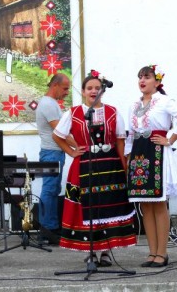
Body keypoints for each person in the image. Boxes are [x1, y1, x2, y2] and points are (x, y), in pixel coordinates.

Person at [53, 70, 136, 266]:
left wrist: (125, 168)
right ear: (82, 91)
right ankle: (90, 251)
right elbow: (58, 135)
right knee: (86, 207)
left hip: (110, 166)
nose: (94, 91)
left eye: (97, 88)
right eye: (89, 88)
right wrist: (72, 151)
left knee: (107, 207)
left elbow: (120, 142)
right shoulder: (73, 113)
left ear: (102, 91)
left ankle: (106, 251)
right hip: (84, 165)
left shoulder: (112, 112)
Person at [125, 65, 177, 268]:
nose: (142, 80)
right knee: (145, 204)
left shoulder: (164, 101)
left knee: (158, 201)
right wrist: (129, 157)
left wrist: (170, 139)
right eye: (139, 77)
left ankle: (162, 253)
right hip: (139, 153)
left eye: (146, 77)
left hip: (156, 152)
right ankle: (152, 252)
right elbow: (130, 133)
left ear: (156, 82)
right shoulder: (134, 105)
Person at [35, 73, 71, 245]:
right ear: (55, 85)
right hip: (51, 152)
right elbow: (60, 131)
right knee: (50, 190)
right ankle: (47, 228)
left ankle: (51, 226)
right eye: (65, 88)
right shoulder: (48, 104)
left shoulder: (51, 103)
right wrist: (79, 145)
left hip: (52, 152)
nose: (66, 92)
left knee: (53, 189)